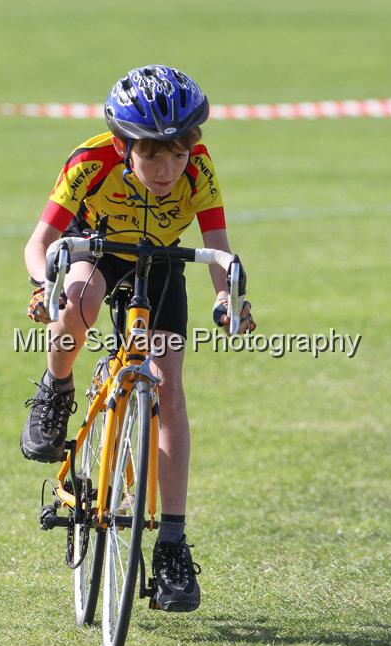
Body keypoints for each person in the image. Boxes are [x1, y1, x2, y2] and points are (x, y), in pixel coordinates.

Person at [19, 65, 255, 612]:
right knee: (77, 300)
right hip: (94, 252)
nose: (168, 168)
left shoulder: (200, 169)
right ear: (125, 146)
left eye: (177, 152)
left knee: (169, 386)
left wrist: (230, 301)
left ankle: (171, 540)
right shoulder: (89, 161)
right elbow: (40, 242)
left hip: (165, 265)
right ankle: (55, 390)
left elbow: (218, 248)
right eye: (152, 154)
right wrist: (40, 286)